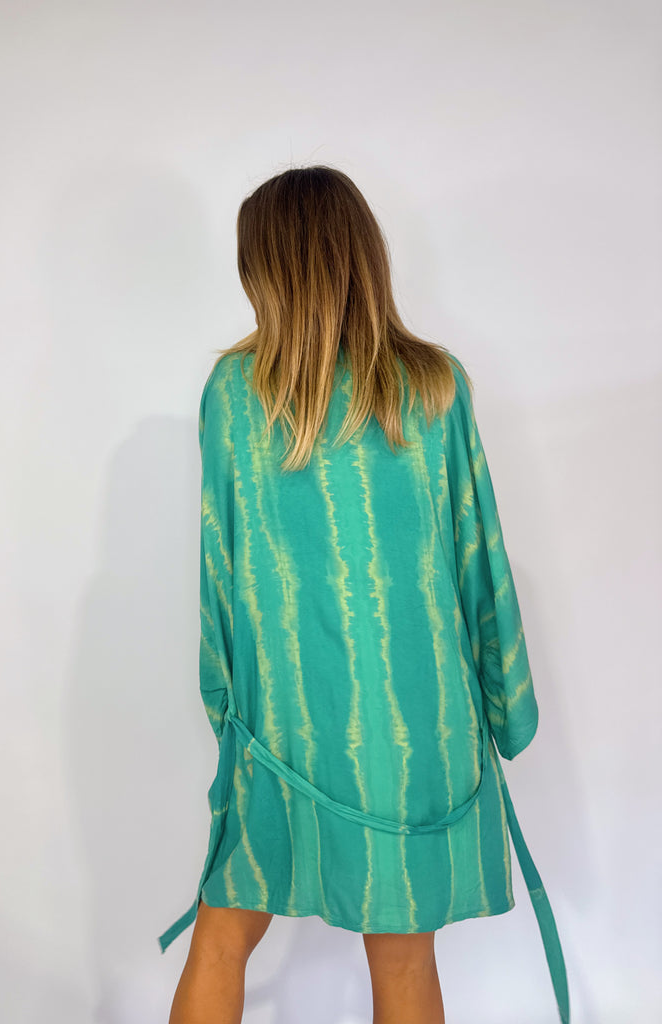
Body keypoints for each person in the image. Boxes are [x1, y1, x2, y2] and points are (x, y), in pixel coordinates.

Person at [159, 165, 569, 1024]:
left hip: (284, 727)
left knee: (222, 936)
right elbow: (479, 555)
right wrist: (508, 708)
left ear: (270, 270)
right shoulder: (435, 383)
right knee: (405, 959)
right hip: (416, 729)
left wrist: (224, 706)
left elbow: (218, 568)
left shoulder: (234, 395)